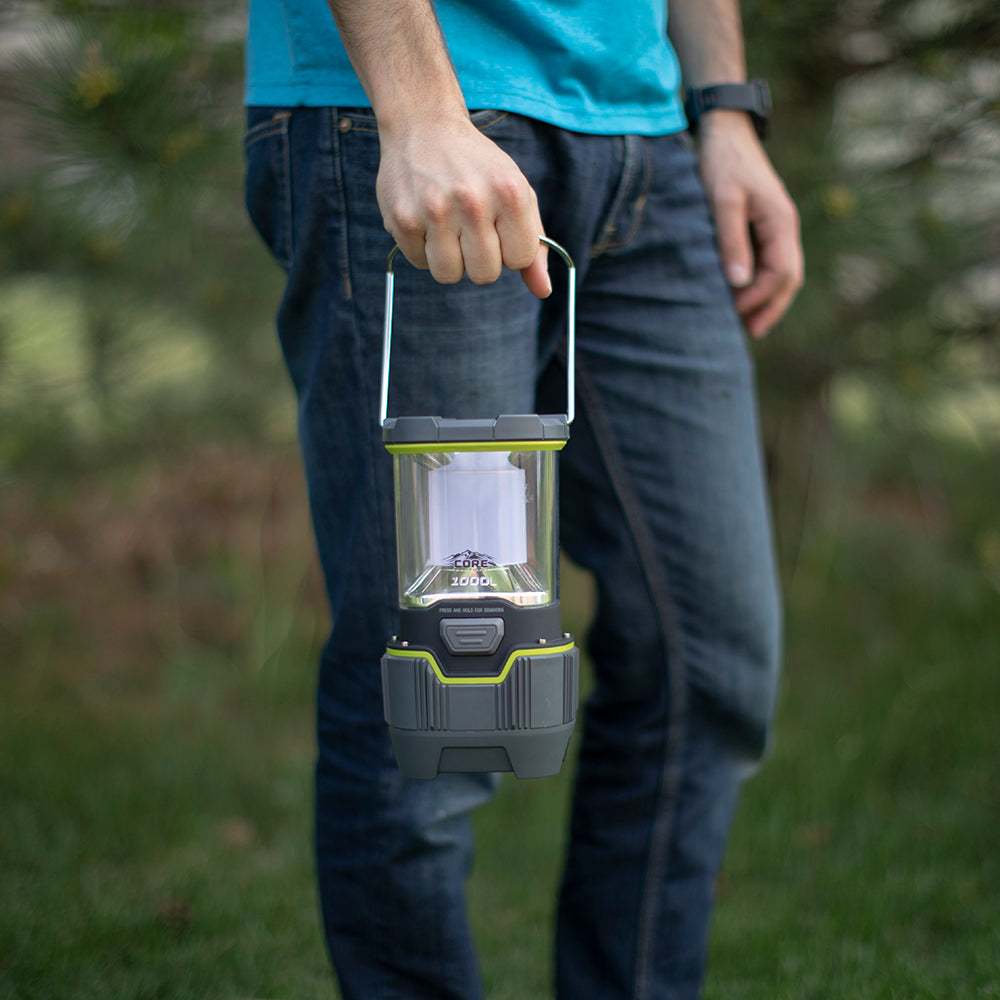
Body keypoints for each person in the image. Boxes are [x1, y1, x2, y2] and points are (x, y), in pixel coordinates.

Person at [243, 1, 803, 997]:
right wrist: (415, 109)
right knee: (447, 694)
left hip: (650, 140)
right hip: (428, 124)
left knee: (708, 662)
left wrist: (722, 110)